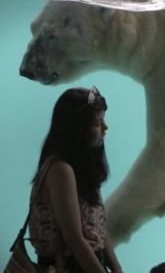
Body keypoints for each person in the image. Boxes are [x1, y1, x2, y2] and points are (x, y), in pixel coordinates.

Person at [28, 86, 123, 273]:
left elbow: (99, 229)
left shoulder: (81, 168)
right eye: (97, 123)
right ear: (76, 128)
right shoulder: (60, 170)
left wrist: (118, 270)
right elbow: (74, 240)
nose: (105, 128)